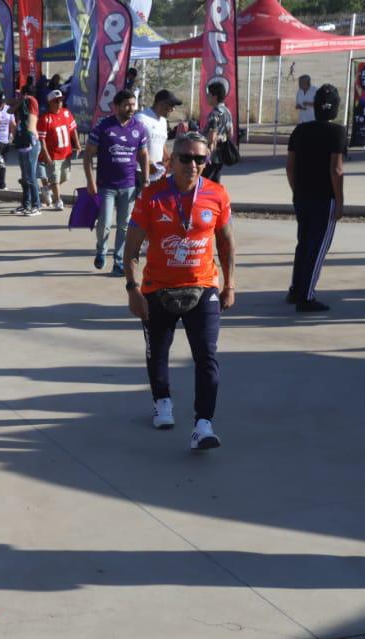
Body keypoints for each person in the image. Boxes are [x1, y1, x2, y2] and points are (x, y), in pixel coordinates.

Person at [123, 132, 235, 451]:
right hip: (158, 289)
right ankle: (162, 401)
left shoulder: (216, 194)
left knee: (207, 356)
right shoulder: (152, 196)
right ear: (171, 161)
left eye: (200, 159)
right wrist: (133, 289)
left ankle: (203, 424)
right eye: (185, 158)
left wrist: (230, 285)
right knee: (158, 352)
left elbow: (226, 244)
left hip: (203, 287)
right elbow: (130, 249)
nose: (193, 165)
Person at [285, 84, 346, 312]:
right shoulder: (337, 132)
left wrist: (295, 191)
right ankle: (306, 296)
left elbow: (290, 167)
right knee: (318, 246)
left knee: (304, 243)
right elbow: (336, 170)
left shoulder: (300, 130)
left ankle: (295, 289)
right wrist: (339, 203)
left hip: (302, 196)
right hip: (324, 198)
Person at [84, 89, 150, 274]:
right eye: (127, 105)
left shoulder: (139, 127)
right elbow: (88, 154)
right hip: (106, 186)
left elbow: (143, 154)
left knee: (124, 225)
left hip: (128, 185)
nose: (131, 108)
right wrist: (91, 181)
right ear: (116, 106)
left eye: (133, 104)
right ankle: (101, 251)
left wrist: (145, 180)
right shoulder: (103, 127)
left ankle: (119, 260)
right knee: (104, 222)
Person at [37, 89, 78, 211]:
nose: (59, 103)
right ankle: (58, 201)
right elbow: (42, 140)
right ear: (50, 102)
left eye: (60, 100)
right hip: (53, 155)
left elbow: (73, 129)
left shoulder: (66, 113)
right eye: (56, 101)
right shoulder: (45, 118)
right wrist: (46, 155)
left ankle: (47, 189)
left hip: (66, 153)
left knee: (64, 177)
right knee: (55, 179)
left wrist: (77, 144)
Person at [136, 89, 181, 185]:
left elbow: (162, 143)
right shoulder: (140, 118)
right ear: (161, 103)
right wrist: (148, 163)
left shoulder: (163, 121)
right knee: (139, 200)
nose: (173, 109)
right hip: (140, 172)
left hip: (158, 173)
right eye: (171, 105)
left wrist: (168, 160)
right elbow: (132, 146)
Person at [13, 91, 42, 215]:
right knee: (25, 178)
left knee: (31, 177)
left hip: (31, 144)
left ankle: (36, 206)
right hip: (21, 143)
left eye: (21, 94)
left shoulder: (32, 105)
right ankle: (26, 204)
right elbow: (10, 110)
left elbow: (31, 125)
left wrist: (27, 98)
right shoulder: (20, 107)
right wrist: (19, 101)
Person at [202, 82, 234, 182]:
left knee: (205, 183)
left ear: (214, 96)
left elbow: (212, 136)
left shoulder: (215, 113)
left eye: (208, 95)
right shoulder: (227, 111)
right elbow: (230, 133)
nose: (207, 97)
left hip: (211, 155)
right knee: (215, 183)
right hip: (221, 155)